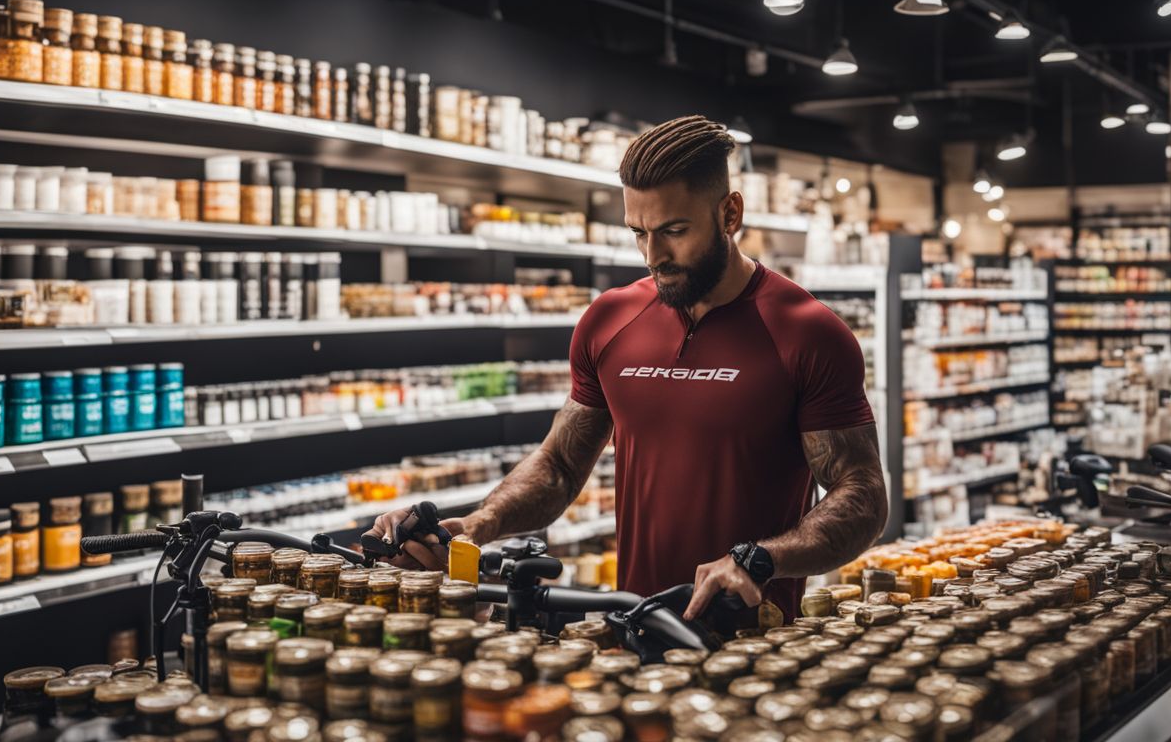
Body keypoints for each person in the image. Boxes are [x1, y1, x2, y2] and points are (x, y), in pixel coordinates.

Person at [365, 115, 887, 620]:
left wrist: (763, 559)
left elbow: (862, 495)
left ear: (730, 214)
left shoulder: (807, 333)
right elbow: (560, 467)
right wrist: (478, 524)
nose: (652, 255)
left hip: (756, 641)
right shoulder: (610, 320)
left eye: (673, 230)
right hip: (632, 626)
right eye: (638, 232)